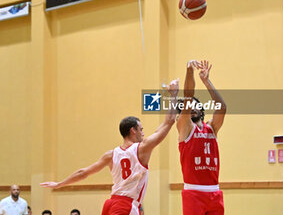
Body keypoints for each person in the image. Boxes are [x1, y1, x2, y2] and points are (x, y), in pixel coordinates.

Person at [40, 79, 179, 215]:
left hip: (110, 203)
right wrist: (173, 95)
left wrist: (59, 184)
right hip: (126, 205)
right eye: (141, 129)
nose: (143, 133)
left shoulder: (111, 155)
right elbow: (169, 122)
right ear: (133, 130)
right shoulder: (142, 148)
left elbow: (83, 173)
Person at [176, 60, 226, 215]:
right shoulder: (184, 128)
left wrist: (206, 81)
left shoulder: (211, 128)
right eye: (189, 107)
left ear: (201, 109)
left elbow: (222, 107)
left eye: (195, 106)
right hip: (193, 192)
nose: (192, 108)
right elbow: (188, 96)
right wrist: (189, 71)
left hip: (214, 191)